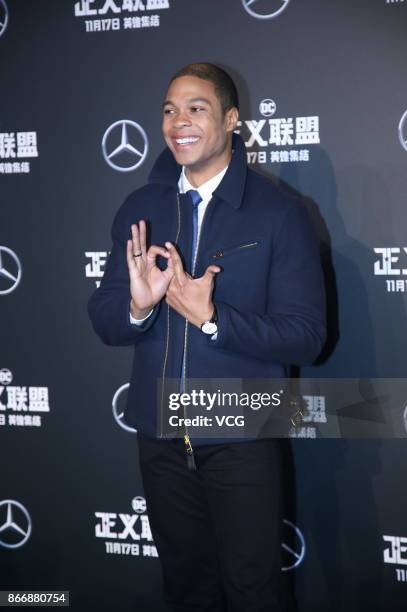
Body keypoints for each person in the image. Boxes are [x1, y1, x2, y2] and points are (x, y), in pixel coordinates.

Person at [88, 63, 326, 612]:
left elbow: (307, 337)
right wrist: (136, 306)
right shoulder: (140, 209)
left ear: (231, 119)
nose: (179, 122)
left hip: (243, 430)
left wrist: (214, 318)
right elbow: (103, 319)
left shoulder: (281, 213)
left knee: (255, 590)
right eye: (170, 110)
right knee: (187, 590)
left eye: (196, 108)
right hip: (161, 436)